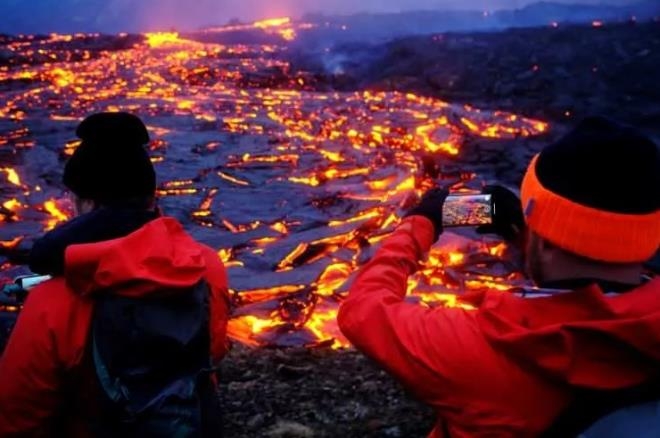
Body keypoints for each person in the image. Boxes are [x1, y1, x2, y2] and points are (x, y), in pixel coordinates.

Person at [338, 116, 660, 437]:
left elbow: (362, 310)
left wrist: (422, 222)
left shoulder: (481, 348)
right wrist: (530, 236)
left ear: (546, 239)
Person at [0, 112, 230, 437]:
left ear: (88, 206)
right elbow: (212, 354)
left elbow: (18, 420)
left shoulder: (53, 301)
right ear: (152, 197)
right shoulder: (207, 268)